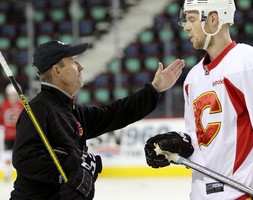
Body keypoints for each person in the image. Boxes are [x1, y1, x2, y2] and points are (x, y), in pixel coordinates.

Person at [144, 0, 253, 200]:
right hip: (203, 195)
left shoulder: (250, 62)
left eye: (192, 19)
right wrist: (177, 143)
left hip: (245, 192)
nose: (186, 27)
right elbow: (199, 137)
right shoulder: (193, 77)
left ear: (213, 20)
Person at [10, 40, 185, 200]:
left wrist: (154, 90)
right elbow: (24, 159)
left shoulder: (69, 109)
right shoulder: (39, 109)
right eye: (74, 61)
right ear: (57, 70)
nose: (81, 67)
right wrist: (71, 169)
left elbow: (113, 114)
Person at [0, 83, 23, 182]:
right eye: (11, 95)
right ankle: (7, 173)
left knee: (19, 155)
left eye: (15, 95)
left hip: (19, 136)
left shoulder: (22, 105)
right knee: (7, 155)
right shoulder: (4, 105)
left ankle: (18, 174)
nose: (13, 97)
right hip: (8, 136)